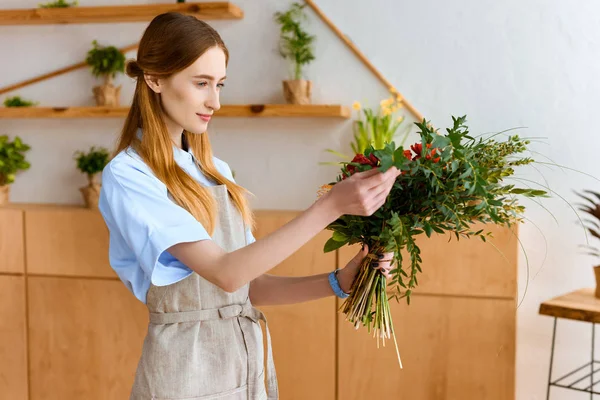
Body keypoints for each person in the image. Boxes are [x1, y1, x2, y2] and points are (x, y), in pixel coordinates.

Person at [98, 12, 399, 400]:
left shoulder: (215, 171)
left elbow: (247, 288)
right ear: (154, 79)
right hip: (185, 370)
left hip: (245, 361)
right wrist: (331, 207)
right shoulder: (129, 176)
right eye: (201, 83)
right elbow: (226, 273)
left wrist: (337, 283)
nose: (215, 101)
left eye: (220, 84)